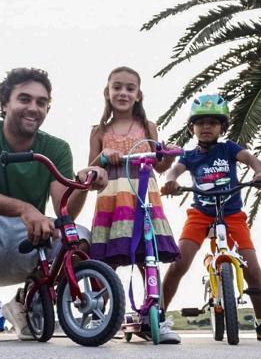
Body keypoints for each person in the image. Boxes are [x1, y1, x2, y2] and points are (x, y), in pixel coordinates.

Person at [0, 67, 107, 340]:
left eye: (41, 102)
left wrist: (83, 183)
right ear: (5, 103)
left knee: (79, 238)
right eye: (24, 99)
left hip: (31, 238)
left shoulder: (56, 148)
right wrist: (25, 209)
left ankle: (28, 302)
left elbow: (66, 211)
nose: (33, 107)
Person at [160, 94, 261, 344]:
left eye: (212, 122)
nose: (205, 127)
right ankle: (157, 316)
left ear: (222, 127)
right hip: (200, 214)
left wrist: (260, 172)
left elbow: (251, 159)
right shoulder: (190, 156)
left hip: (232, 214)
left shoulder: (229, 148)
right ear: (192, 128)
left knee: (253, 269)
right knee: (178, 263)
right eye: (200, 123)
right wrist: (171, 180)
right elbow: (175, 170)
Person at [87, 66, 180, 342]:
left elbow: (159, 165)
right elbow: (90, 170)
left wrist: (169, 156)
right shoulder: (98, 130)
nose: (123, 92)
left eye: (129, 88)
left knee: (147, 256)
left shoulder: (148, 127)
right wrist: (104, 156)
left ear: (139, 95)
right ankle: (98, 315)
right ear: (107, 92)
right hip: (112, 198)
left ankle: (155, 315)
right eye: (117, 87)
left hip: (142, 196)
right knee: (106, 258)